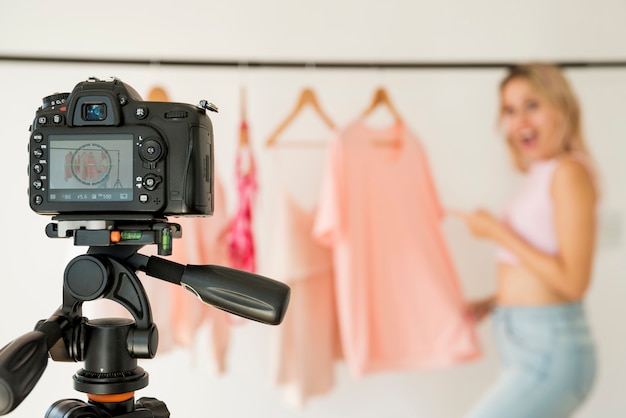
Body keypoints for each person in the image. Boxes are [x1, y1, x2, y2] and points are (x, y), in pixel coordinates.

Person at [451, 63, 599, 418]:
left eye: (532, 105)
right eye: (510, 109)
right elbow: (538, 264)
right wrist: (495, 301)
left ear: (561, 106)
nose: (520, 121)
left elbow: (574, 283)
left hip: (551, 349)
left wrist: (496, 232)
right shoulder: (540, 173)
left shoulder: (570, 172)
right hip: (526, 343)